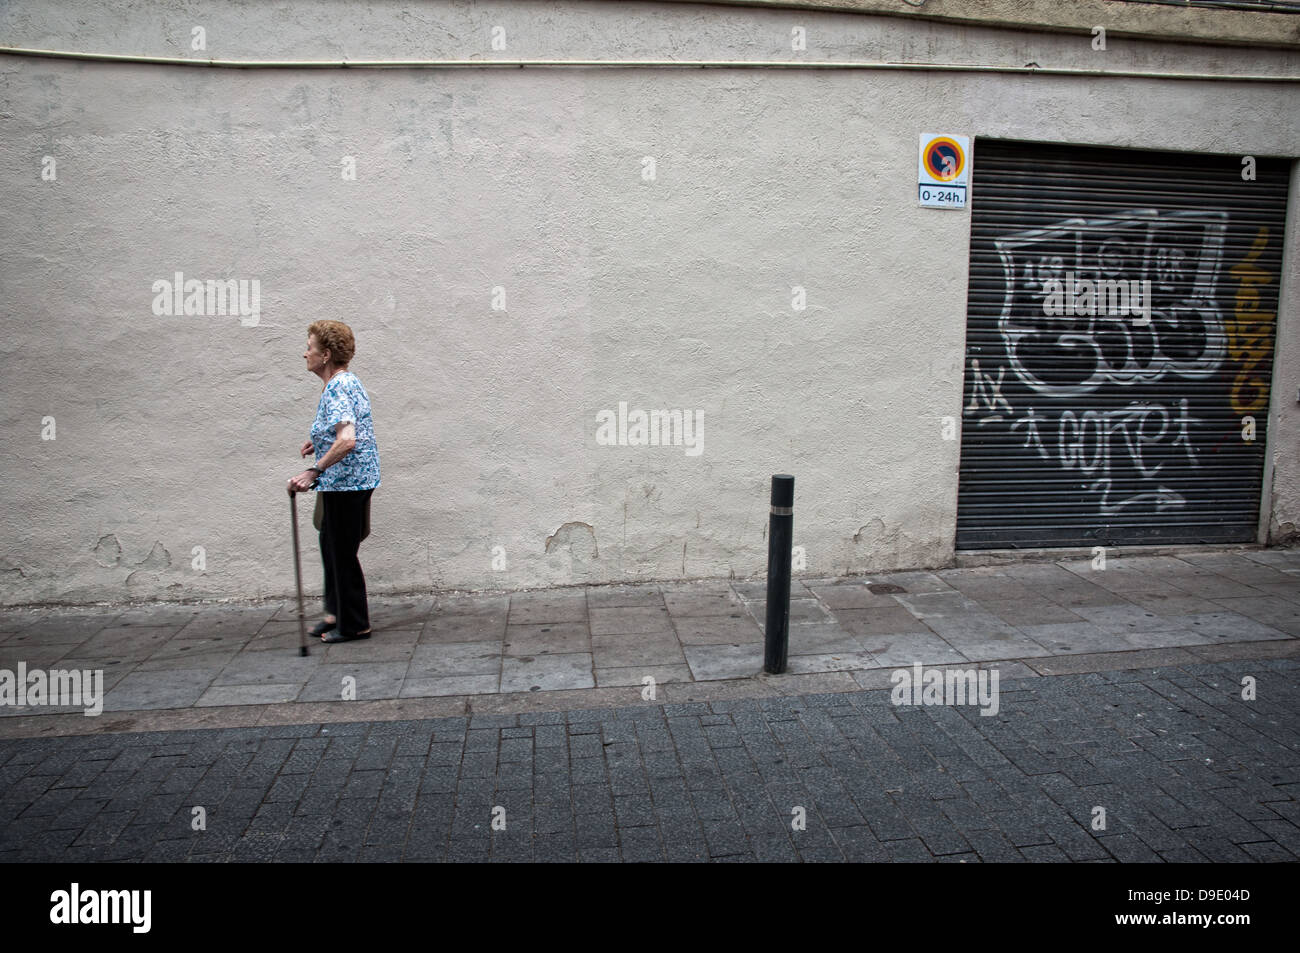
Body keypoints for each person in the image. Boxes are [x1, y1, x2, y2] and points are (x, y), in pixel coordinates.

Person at [287, 321, 381, 643]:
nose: (305, 353)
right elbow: (344, 429)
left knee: (342, 553)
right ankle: (334, 612)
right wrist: (320, 440)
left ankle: (354, 624)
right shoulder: (344, 383)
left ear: (325, 355)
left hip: (347, 483)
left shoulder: (339, 387)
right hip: (345, 481)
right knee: (330, 546)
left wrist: (314, 470)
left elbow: (348, 439)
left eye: (310, 348)